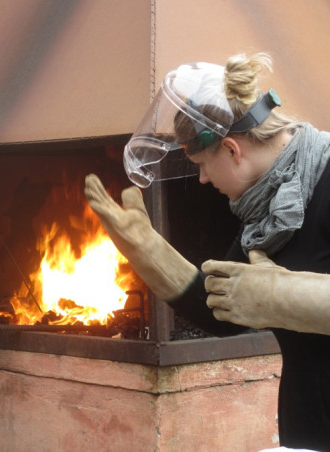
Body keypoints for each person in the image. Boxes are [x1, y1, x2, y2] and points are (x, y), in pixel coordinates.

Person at [85, 52, 330, 450]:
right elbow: (223, 311)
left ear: (232, 150)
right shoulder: (268, 210)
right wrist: (148, 251)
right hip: (306, 435)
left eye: (201, 164)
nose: (200, 179)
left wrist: (280, 295)